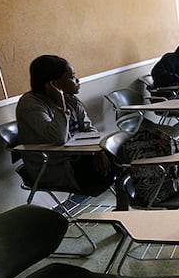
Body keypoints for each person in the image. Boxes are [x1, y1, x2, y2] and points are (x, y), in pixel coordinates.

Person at [15, 55, 120, 206]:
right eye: (72, 77)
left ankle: (123, 207)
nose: (77, 80)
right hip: (55, 167)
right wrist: (60, 103)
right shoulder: (31, 104)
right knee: (123, 160)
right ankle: (140, 200)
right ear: (54, 83)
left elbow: (89, 128)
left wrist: (99, 150)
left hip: (80, 158)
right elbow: (58, 139)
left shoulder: (72, 100)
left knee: (122, 150)